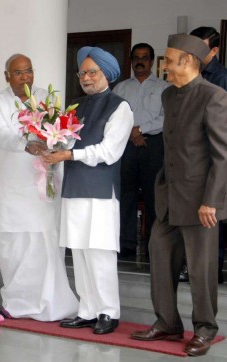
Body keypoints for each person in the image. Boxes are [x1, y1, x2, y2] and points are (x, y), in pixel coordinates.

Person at [130, 34, 227, 357]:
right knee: (159, 258)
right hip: (169, 196)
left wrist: (211, 200)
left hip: (201, 202)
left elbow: (222, 155)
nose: (164, 66)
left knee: (201, 269)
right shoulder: (169, 95)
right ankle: (167, 322)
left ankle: (205, 329)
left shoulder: (214, 96)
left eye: (169, 60)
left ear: (187, 60)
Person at [42, 47, 133, 334]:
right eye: (82, 72)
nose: (86, 77)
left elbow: (109, 151)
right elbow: (63, 142)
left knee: (99, 253)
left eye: (92, 72)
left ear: (107, 74)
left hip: (101, 191)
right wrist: (47, 145)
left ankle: (108, 312)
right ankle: (88, 309)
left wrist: (70, 156)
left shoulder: (121, 107)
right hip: (74, 188)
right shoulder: (75, 106)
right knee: (79, 251)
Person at [0, 54, 79, 321]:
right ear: (7, 76)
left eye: (28, 71)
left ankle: (51, 303)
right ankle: (16, 302)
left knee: (44, 244)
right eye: (18, 72)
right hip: (11, 187)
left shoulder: (47, 100)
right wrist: (26, 144)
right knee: (13, 246)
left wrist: (58, 144)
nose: (25, 77)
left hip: (42, 187)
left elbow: (65, 134)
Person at [113, 43, 169, 259]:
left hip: (153, 145)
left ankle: (154, 245)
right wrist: (130, 133)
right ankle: (125, 243)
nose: (140, 61)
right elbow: (114, 118)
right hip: (126, 145)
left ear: (152, 61)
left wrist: (140, 130)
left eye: (145, 57)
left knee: (153, 195)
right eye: (136, 57)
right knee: (125, 194)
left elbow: (166, 117)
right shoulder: (121, 88)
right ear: (131, 60)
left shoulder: (165, 88)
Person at [181, 26, 227, 284]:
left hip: (214, 154)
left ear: (214, 50)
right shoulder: (189, 75)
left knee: (212, 215)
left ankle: (212, 271)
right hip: (193, 158)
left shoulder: (220, 78)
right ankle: (196, 268)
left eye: (200, 47)